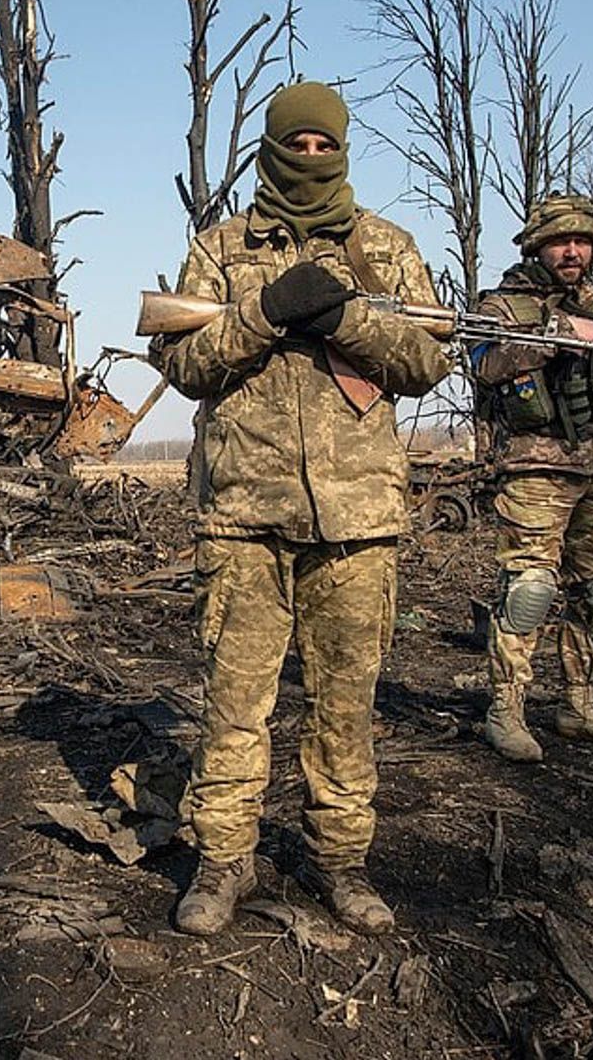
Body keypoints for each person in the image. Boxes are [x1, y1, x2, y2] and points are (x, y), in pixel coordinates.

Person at [148, 81, 450, 936]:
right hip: (244, 513)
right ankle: (222, 863)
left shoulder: (387, 248)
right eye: (296, 143)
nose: (310, 157)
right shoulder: (220, 249)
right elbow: (187, 368)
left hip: (358, 523)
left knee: (343, 709)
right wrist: (266, 311)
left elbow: (428, 361)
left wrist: (349, 317)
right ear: (271, 149)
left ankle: (339, 865)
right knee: (235, 704)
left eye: (324, 144)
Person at [471, 193, 593, 763]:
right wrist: (557, 335)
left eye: (582, 242)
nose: (573, 251)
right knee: (529, 588)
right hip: (536, 471)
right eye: (562, 241)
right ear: (539, 246)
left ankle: (580, 705)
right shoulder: (502, 306)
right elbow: (483, 366)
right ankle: (505, 710)